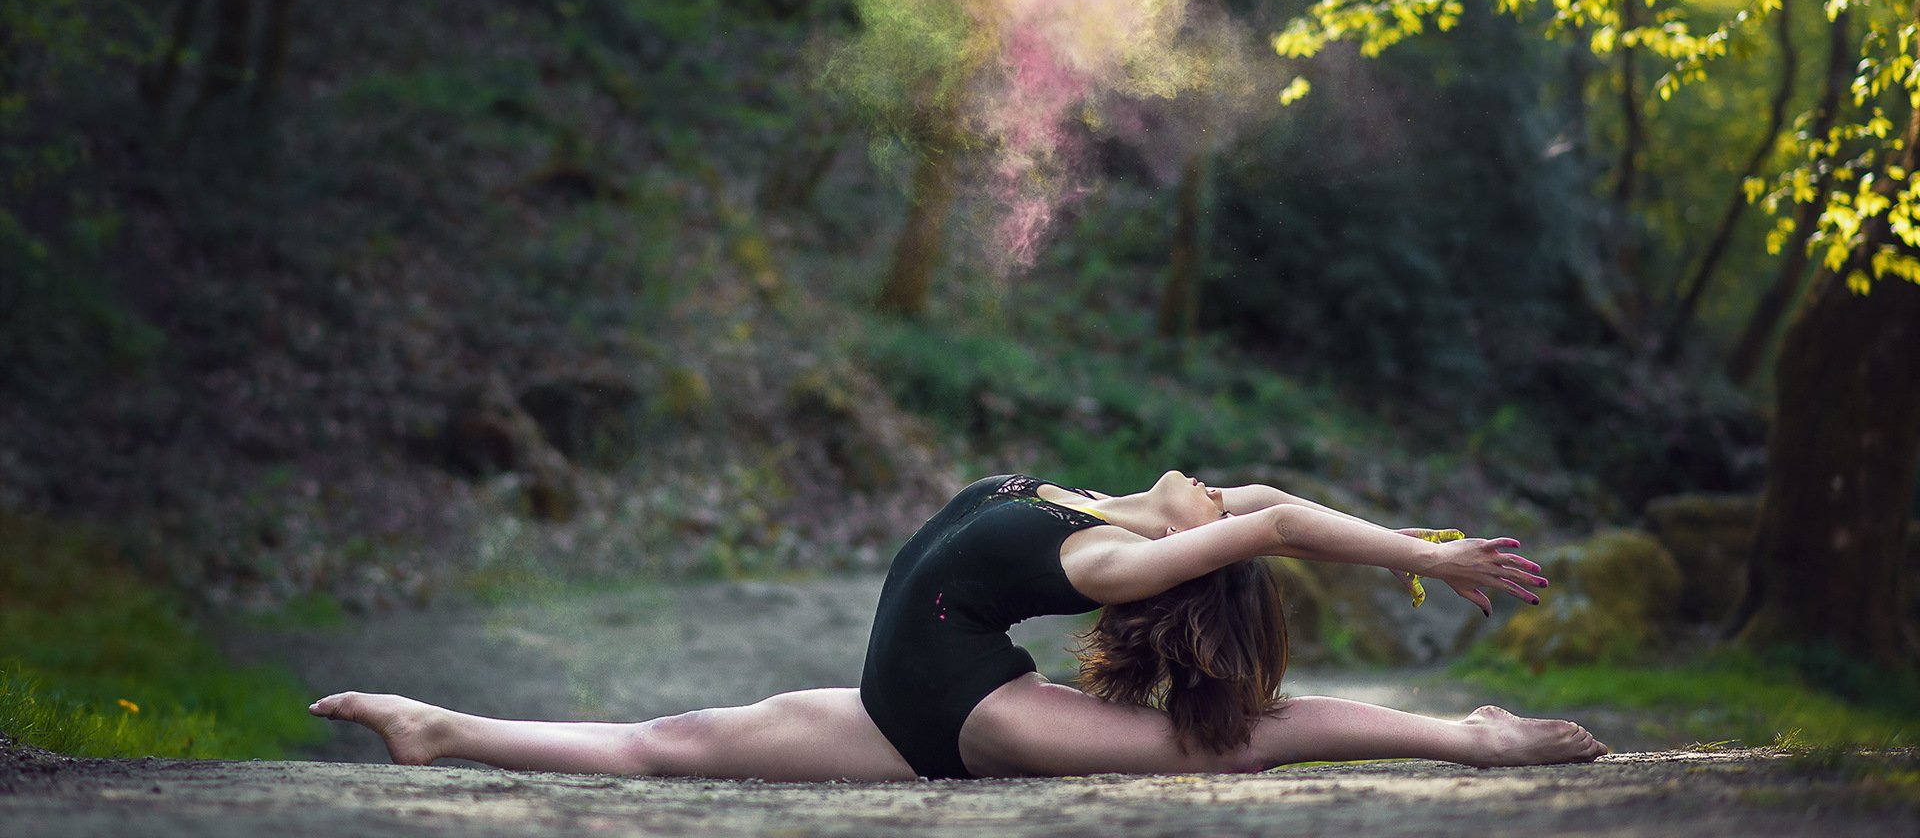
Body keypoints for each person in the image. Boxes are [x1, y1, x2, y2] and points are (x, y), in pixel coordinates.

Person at [311, 471, 1607, 779]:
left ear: (1175, 558)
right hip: (905, 707)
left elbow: (1263, 528)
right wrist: (1402, 539)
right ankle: (438, 726)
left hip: (977, 713)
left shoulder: (1108, 556)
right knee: (674, 741)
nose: (1214, 487)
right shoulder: (1102, 506)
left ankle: (1467, 736)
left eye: (1202, 513)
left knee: (1229, 746)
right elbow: (1261, 504)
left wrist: (1421, 554)